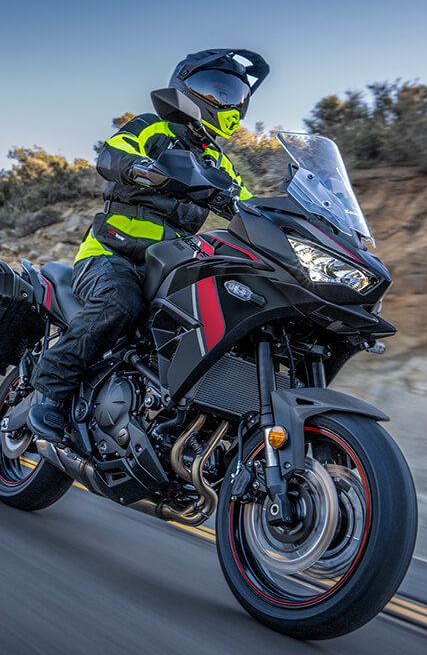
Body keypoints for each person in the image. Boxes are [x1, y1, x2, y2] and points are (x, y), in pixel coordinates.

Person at [23, 49, 269, 441]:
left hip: (169, 268)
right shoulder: (155, 128)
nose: (225, 102)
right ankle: (50, 390)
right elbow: (113, 152)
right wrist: (139, 168)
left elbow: (250, 204)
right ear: (186, 88)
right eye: (216, 90)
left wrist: (279, 218)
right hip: (110, 256)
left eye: (233, 96)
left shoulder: (218, 164)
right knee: (120, 303)